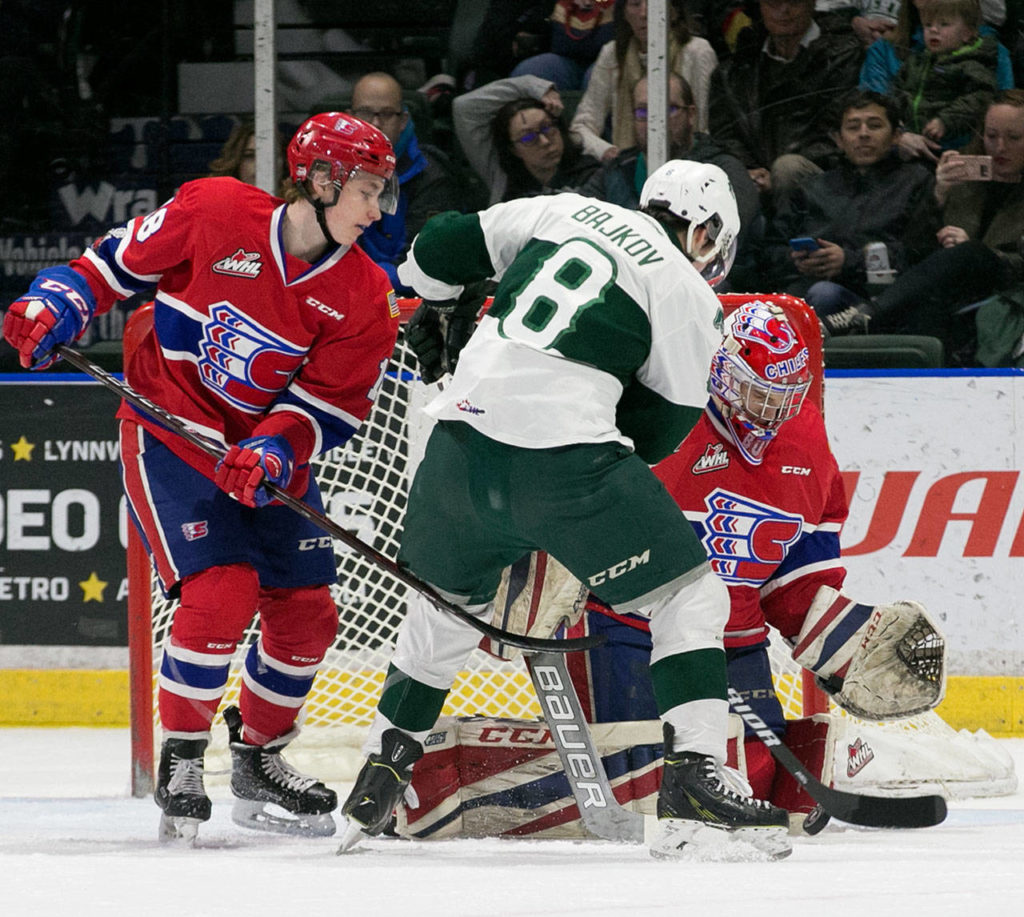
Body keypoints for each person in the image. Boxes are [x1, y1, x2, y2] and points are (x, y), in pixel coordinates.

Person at [338, 161, 796, 862]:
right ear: (704, 232)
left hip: (453, 455)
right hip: (566, 468)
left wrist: (440, 306)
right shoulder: (684, 291)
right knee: (691, 596)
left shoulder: (564, 211)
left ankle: (380, 771)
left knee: (442, 609)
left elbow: (432, 251)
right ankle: (696, 788)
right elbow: (656, 434)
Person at [2, 112, 402, 843]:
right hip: (169, 433)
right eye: (367, 190)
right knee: (221, 592)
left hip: (264, 458)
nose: (377, 209)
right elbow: (108, 266)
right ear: (318, 180)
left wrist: (279, 448)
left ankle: (258, 758)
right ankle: (183, 759)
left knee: (308, 612)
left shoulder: (362, 291)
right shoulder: (214, 210)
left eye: (383, 192)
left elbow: (331, 401)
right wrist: (56, 300)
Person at [567, 300, 944, 817]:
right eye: (758, 393)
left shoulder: (806, 441)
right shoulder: (657, 418)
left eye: (784, 397)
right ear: (720, 371)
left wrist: (837, 640)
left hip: (736, 641)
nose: (770, 411)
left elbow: (795, 568)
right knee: (641, 779)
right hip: (625, 628)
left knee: (756, 781)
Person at [822, 90, 1024, 359]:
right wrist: (938, 196)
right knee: (924, 308)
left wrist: (980, 251)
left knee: (970, 252)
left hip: (1007, 286)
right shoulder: (963, 180)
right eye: (991, 136)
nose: (999, 147)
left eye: (1014, 138)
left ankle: (867, 313)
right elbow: (915, 250)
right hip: (951, 290)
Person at [761, 89, 941, 314]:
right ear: (838, 139)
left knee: (822, 294)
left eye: (874, 126)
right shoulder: (812, 188)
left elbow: (919, 253)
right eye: (853, 127)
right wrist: (796, 260)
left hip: (876, 302)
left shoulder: (916, 181)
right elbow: (770, 250)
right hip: (802, 291)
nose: (863, 134)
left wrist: (849, 261)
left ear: (896, 135)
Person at [579, 72, 763, 288]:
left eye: (669, 109)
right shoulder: (616, 171)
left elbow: (727, 240)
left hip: (709, 284)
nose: (654, 121)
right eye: (642, 111)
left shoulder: (722, 169)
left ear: (691, 114)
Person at [708, 0, 864, 206]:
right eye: (774, 3)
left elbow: (835, 132)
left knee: (787, 168)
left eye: (794, 2)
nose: (784, 10)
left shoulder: (842, 55)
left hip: (823, 174)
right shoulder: (737, 66)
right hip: (753, 175)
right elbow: (725, 134)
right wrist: (749, 170)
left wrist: (774, 174)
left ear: (811, 4)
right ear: (761, 7)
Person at [347, 72, 466, 294]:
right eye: (365, 113)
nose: (375, 123)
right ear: (349, 118)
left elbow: (426, 263)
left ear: (403, 121)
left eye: (386, 114)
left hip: (411, 303)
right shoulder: (332, 169)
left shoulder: (432, 176)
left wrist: (353, 278)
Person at [570, 0, 719, 163]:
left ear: (673, 10)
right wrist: (607, 152)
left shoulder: (697, 52)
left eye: (653, 4)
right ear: (624, 14)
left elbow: (705, 128)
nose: (644, 13)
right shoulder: (612, 53)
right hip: (629, 167)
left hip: (690, 163)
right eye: (635, 4)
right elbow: (581, 126)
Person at [453, 74, 602, 204]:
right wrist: (537, 89)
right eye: (529, 137)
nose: (545, 141)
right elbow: (464, 106)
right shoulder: (502, 177)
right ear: (513, 149)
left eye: (547, 128)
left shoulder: (592, 174)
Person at [890, 0, 999, 160]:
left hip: (955, 148)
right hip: (913, 145)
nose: (934, 30)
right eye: (927, 25)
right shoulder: (915, 62)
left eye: (944, 24)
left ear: (968, 33)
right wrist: (898, 125)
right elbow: (897, 92)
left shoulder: (972, 64)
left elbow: (980, 97)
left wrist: (945, 121)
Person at [510, 0, 618, 90]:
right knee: (526, 72)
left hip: (613, 56)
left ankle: (634, 114)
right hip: (565, 58)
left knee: (599, 77)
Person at [207, 119, 288, 194]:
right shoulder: (216, 202)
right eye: (250, 156)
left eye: (271, 156)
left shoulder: (296, 206)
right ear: (235, 160)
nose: (261, 165)